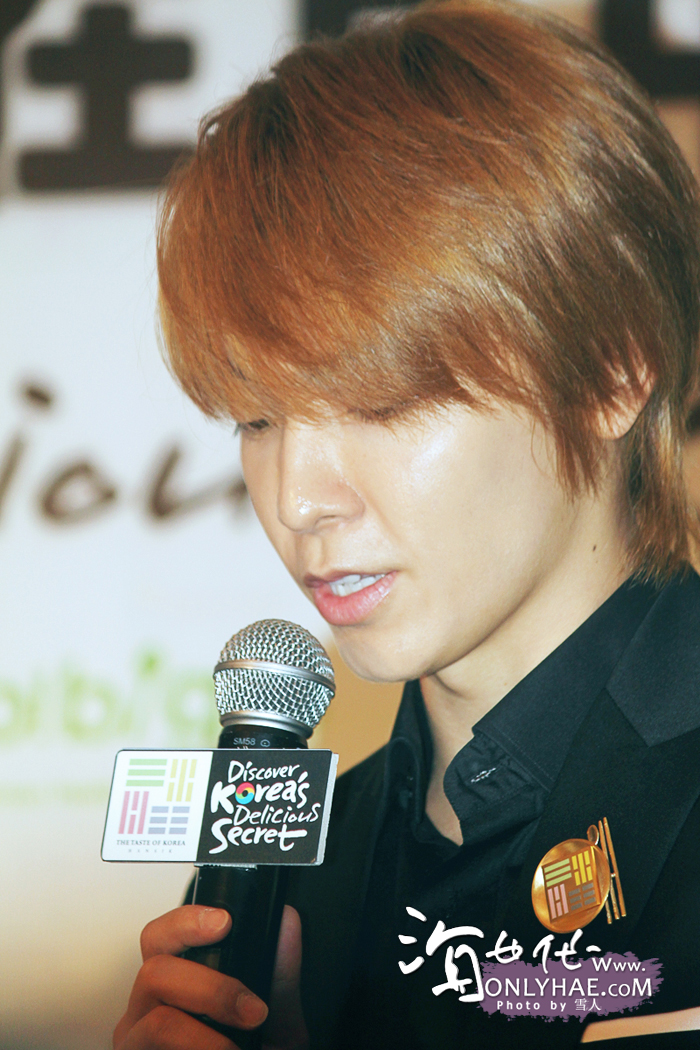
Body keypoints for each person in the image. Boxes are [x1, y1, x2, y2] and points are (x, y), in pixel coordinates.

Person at [114, 1, 700, 1047]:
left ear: (613, 371)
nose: (297, 499)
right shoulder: (295, 873)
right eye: (257, 418)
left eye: (381, 403)